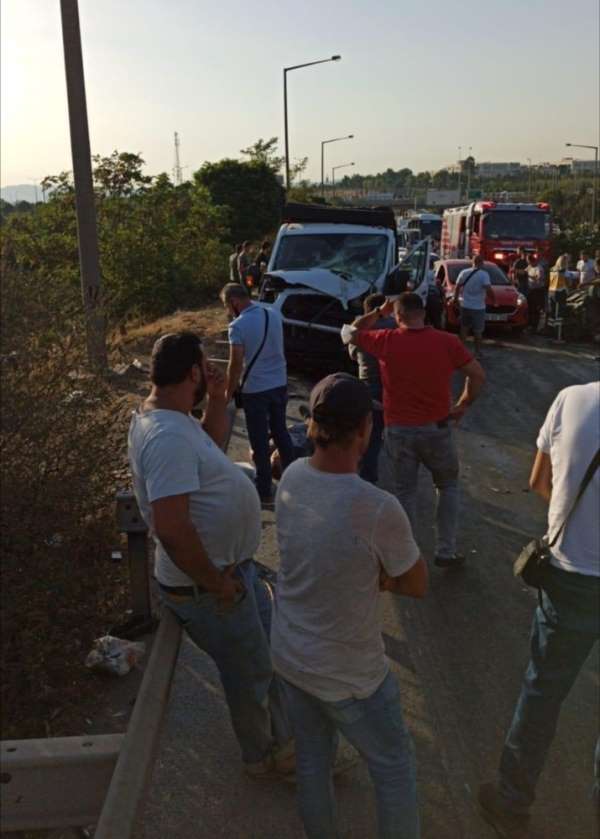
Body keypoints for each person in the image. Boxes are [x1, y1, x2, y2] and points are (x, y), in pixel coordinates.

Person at [127, 332, 293, 777]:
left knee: (268, 659)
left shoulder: (173, 419)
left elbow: (210, 448)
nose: (211, 372)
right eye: (206, 366)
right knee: (251, 673)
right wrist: (218, 584)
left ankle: (286, 741)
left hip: (230, 573)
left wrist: (217, 400)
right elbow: (172, 527)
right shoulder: (165, 437)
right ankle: (264, 757)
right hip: (209, 586)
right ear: (193, 372)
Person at [271, 372, 428, 839]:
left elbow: (319, 554)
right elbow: (415, 583)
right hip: (350, 675)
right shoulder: (376, 507)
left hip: (291, 657)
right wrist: (379, 574)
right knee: (394, 768)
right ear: (365, 429)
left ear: (314, 426)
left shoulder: (293, 476)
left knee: (314, 765)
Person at [479, 381, 600, 835]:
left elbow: (538, 482)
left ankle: (511, 801)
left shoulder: (572, 399)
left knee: (543, 693)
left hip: (570, 581)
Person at [342, 292, 485, 569]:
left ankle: (406, 555)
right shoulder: (448, 342)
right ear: (423, 313)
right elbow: (478, 374)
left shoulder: (386, 340)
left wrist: (378, 313)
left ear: (398, 316)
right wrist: (463, 404)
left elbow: (349, 332)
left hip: (400, 431)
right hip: (438, 429)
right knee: (447, 486)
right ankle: (446, 549)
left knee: (405, 492)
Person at [221, 283, 294, 502]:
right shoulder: (273, 313)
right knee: (281, 432)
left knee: (259, 440)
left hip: (256, 389)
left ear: (233, 301)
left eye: (226, 305)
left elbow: (235, 364)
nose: (226, 309)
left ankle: (263, 489)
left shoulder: (238, 326)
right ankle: (293, 479)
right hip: (279, 383)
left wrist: (228, 392)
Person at [348, 292, 395, 483]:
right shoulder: (394, 327)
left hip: (368, 386)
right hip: (392, 387)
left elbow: (351, 352)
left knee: (370, 434)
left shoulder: (360, 330)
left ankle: (367, 475)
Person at [454, 254, 492, 357]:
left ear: (472, 262)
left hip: (465, 305)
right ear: (482, 263)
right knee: (478, 331)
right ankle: (477, 352)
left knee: (464, 329)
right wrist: (494, 300)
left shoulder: (464, 272)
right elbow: (488, 289)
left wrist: (455, 299)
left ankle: (460, 352)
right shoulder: (484, 275)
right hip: (478, 307)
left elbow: (457, 287)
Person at [526, 253, 547, 332]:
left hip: (538, 290)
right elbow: (524, 271)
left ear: (532, 261)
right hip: (531, 290)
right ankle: (530, 325)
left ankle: (535, 327)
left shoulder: (539, 268)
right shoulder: (529, 267)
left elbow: (539, 278)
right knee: (530, 308)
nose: (528, 263)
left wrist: (529, 276)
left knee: (536, 309)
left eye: (529, 261)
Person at [547, 254, 571, 320]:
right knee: (561, 310)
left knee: (552, 310)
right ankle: (559, 326)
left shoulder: (552, 269)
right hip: (560, 292)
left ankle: (551, 325)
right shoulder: (564, 271)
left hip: (551, 291)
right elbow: (568, 283)